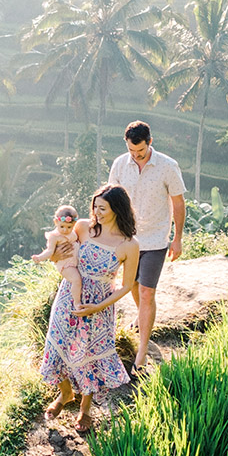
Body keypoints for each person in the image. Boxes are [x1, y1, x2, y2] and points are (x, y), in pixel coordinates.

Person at [39, 185, 140, 432]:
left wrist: (96, 308)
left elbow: (126, 286)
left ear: (117, 209)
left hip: (100, 307)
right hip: (69, 298)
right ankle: (65, 395)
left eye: (102, 208)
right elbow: (58, 253)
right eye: (95, 206)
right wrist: (52, 255)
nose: (97, 212)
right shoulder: (83, 227)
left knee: (87, 357)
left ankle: (85, 408)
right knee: (57, 346)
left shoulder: (129, 244)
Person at [108, 120, 186, 371]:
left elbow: (178, 203)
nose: (136, 156)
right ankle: (144, 318)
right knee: (131, 285)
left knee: (146, 292)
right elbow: (111, 200)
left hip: (155, 240)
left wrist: (178, 238)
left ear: (149, 142)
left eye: (140, 151)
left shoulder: (167, 166)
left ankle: (142, 350)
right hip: (127, 238)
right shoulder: (120, 164)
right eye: (132, 151)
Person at [32, 205, 83, 306]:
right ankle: (77, 302)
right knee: (76, 280)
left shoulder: (73, 232)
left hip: (75, 261)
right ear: (56, 222)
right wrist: (39, 257)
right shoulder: (55, 237)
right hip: (66, 264)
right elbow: (50, 251)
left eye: (69, 227)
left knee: (79, 280)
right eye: (62, 226)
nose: (65, 230)